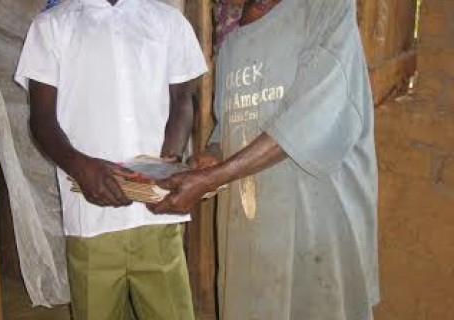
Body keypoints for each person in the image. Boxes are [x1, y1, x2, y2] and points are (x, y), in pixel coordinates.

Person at [148, 0, 380, 319]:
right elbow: (230, 126)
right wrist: (212, 157)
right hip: (252, 229)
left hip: (318, 223)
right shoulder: (232, 41)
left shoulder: (326, 9)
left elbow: (314, 117)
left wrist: (214, 178)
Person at [15, 0, 207, 319]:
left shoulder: (168, 21)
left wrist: (166, 165)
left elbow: (183, 99)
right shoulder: (52, 27)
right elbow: (41, 120)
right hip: (91, 220)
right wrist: (81, 167)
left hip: (156, 216)